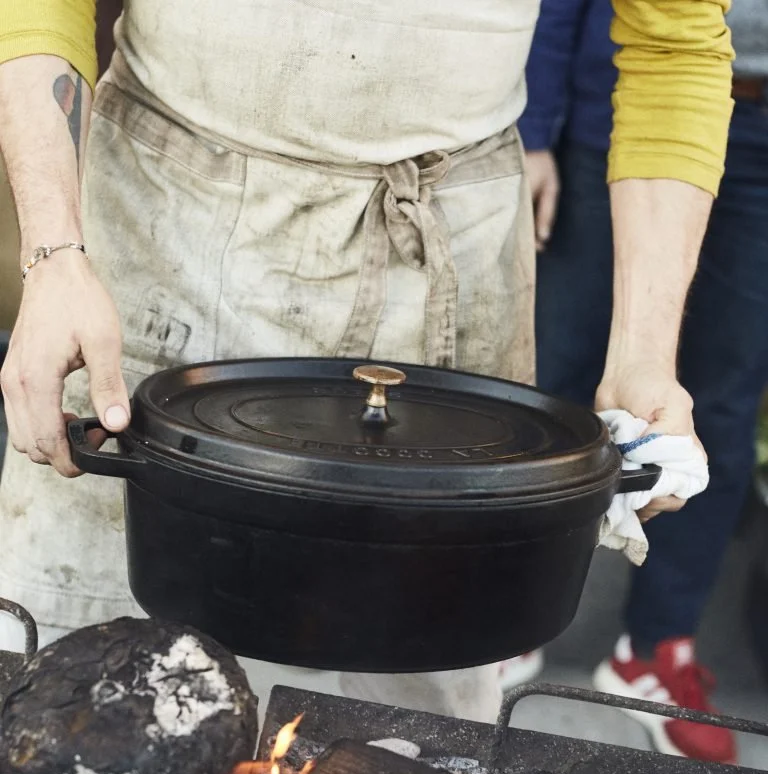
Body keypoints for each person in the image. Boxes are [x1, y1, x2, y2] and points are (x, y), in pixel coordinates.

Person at [0, 1, 731, 724]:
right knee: (74, 697)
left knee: (417, 732)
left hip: (449, 229)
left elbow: (674, 44)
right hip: (170, 211)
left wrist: (644, 352)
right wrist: (54, 254)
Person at [514, 0, 768, 759]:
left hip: (755, 135)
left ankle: (656, 650)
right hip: (615, 115)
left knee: (718, 401)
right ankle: (509, 617)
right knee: (553, 378)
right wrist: (534, 128)